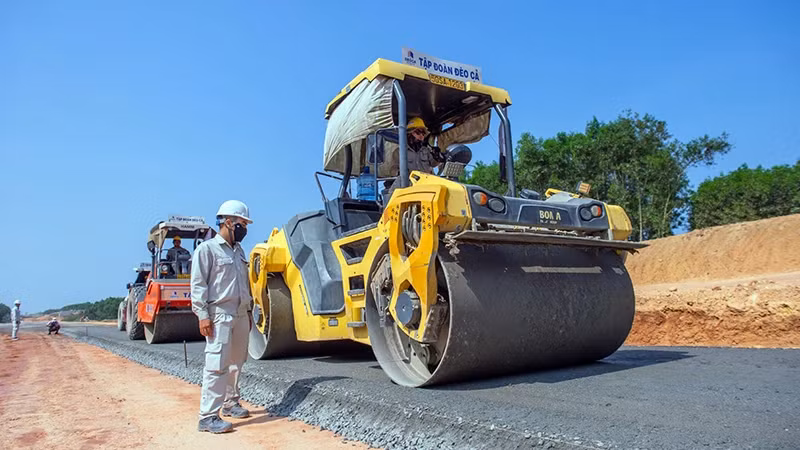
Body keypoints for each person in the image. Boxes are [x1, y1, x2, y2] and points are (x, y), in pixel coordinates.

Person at [191, 200, 254, 434]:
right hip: (219, 315)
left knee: (237, 363)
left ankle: (230, 403)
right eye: (242, 224)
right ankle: (207, 416)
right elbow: (198, 285)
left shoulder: (239, 251)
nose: (244, 229)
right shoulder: (207, 250)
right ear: (228, 222)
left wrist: (247, 312)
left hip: (239, 315)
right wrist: (202, 316)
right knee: (217, 365)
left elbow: (244, 284)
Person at [384, 117, 444, 195]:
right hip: (409, 187)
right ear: (409, 134)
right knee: (392, 194)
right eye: (418, 132)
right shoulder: (399, 152)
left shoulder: (426, 151)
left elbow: (433, 164)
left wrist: (437, 157)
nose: (421, 136)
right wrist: (405, 175)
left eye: (423, 134)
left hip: (427, 185)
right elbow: (393, 171)